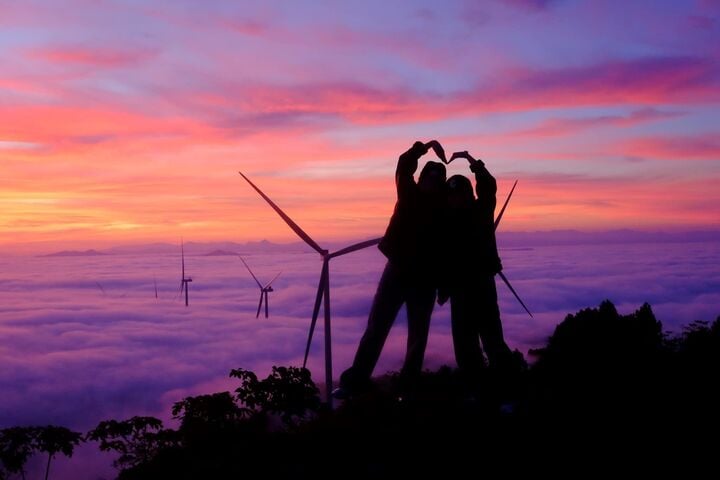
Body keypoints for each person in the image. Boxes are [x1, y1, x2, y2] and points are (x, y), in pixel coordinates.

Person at [335, 140, 448, 398]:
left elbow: (446, 252)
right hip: (397, 271)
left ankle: (408, 388)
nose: (432, 180)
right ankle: (357, 381)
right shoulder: (409, 194)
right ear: (421, 179)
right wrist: (423, 147)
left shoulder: (444, 211)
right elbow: (403, 168)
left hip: (425, 279)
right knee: (377, 327)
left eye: (437, 177)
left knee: (417, 337)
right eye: (429, 176)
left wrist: (444, 285)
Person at [439, 150, 517, 399]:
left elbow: (488, 184)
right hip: (459, 291)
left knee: (493, 343)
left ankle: (506, 393)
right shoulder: (447, 220)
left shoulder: (481, 210)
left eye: (460, 192)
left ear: (468, 193)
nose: (455, 198)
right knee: (465, 347)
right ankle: (479, 392)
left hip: (481, 287)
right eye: (451, 194)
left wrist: (470, 160)